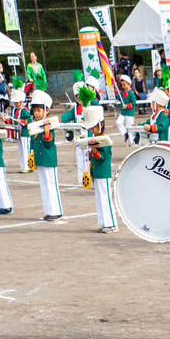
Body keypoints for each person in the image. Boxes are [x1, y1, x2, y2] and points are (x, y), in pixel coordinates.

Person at [80, 105, 118, 233]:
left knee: (106, 197)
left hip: (104, 173)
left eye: (94, 127)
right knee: (99, 198)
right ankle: (103, 222)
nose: (92, 130)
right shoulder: (96, 138)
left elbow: (104, 157)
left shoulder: (105, 139)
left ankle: (111, 223)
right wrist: (91, 152)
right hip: (97, 172)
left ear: (101, 124)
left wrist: (95, 150)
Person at [30, 90, 63, 221]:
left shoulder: (49, 124)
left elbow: (49, 143)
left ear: (47, 110)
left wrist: (47, 132)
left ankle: (57, 211)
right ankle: (49, 211)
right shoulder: (35, 126)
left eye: (39, 110)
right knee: (44, 186)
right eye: (35, 111)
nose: (37, 113)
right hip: (40, 159)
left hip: (49, 160)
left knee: (51, 185)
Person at [60, 79, 89, 186]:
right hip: (78, 136)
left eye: (81, 95)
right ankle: (81, 180)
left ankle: (89, 178)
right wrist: (57, 120)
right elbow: (67, 116)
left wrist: (85, 120)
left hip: (88, 136)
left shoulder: (91, 104)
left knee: (88, 157)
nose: (79, 98)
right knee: (80, 157)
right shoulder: (75, 108)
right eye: (77, 96)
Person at [4, 81, 31, 174]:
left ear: (21, 101)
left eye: (17, 102)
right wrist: (6, 120)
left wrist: (22, 121)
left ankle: (28, 166)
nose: (16, 104)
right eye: (14, 102)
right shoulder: (14, 110)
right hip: (18, 134)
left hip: (25, 134)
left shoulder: (25, 111)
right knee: (21, 151)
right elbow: (13, 120)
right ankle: (23, 166)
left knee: (25, 151)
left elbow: (29, 122)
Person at [115, 75, 137, 147]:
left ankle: (132, 142)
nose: (123, 86)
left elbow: (134, 102)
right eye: (122, 85)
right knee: (118, 122)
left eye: (124, 85)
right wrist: (115, 88)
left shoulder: (131, 93)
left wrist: (127, 105)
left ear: (129, 84)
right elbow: (117, 96)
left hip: (129, 113)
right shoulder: (122, 93)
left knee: (130, 127)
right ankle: (125, 133)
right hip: (123, 112)